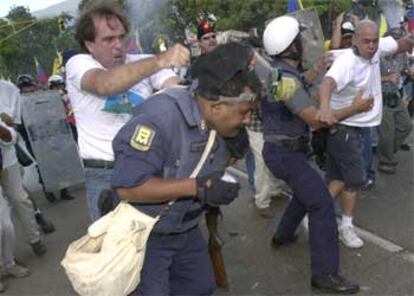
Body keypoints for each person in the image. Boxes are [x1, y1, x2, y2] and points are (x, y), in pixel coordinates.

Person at [112, 42, 259, 295]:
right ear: (215, 107)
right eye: (244, 113)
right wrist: (199, 187)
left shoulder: (223, 123)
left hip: (186, 229)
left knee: (201, 287)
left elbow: (211, 165)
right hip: (147, 234)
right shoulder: (160, 117)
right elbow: (128, 187)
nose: (247, 120)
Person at [261, 16, 374, 293]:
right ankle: (325, 274)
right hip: (285, 153)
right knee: (321, 202)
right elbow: (314, 119)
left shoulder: (282, 72)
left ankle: (283, 235)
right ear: (290, 47)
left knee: (306, 191)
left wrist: (319, 67)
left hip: (291, 151)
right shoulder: (284, 80)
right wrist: (355, 108)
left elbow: (301, 82)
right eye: (299, 40)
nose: (304, 42)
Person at [66, 2, 189, 221]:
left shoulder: (143, 62)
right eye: (108, 39)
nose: (118, 45)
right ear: (89, 45)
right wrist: (161, 60)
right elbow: (105, 84)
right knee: (115, 251)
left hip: (149, 169)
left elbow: (175, 88)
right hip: (105, 174)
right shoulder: (78, 64)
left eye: (121, 37)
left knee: (159, 241)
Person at [318, 19, 414, 249]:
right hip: (344, 128)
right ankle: (346, 227)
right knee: (354, 180)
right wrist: (323, 106)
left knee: (337, 179)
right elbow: (327, 83)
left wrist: (409, 42)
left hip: (359, 128)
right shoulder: (347, 62)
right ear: (355, 40)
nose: (372, 46)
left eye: (374, 42)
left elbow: (400, 44)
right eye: (367, 42)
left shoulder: (377, 48)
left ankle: (312, 210)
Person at [0, 80, 47, 256]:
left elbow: (13, 128)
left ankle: (34, 238)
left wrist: (6, 126)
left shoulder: (7, 89)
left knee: (20, 199)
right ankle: (7, 261)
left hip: (7, 157)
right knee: (3, 220)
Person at [16, 74, 75, 203]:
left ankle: (64, 190)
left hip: (50, 135)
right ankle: (48, 190)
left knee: (60, 161)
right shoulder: (18, 104)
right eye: (25, 87)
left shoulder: (42, 97)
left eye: (30, 86)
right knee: (43, 165)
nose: (29, 89)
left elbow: (54, 112)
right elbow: (18, 124)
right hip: (33, 139)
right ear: (21, 89)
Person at [378, 28, 413, 174]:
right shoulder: (378, 57)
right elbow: (367, 79)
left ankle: (387, 151)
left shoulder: (402, 55)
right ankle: (386, 160)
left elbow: (404, 69)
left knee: (405, 126)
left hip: (396, 95)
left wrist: (408, 72)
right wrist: (387, 78)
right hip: (381, 97)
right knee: (387, 132)